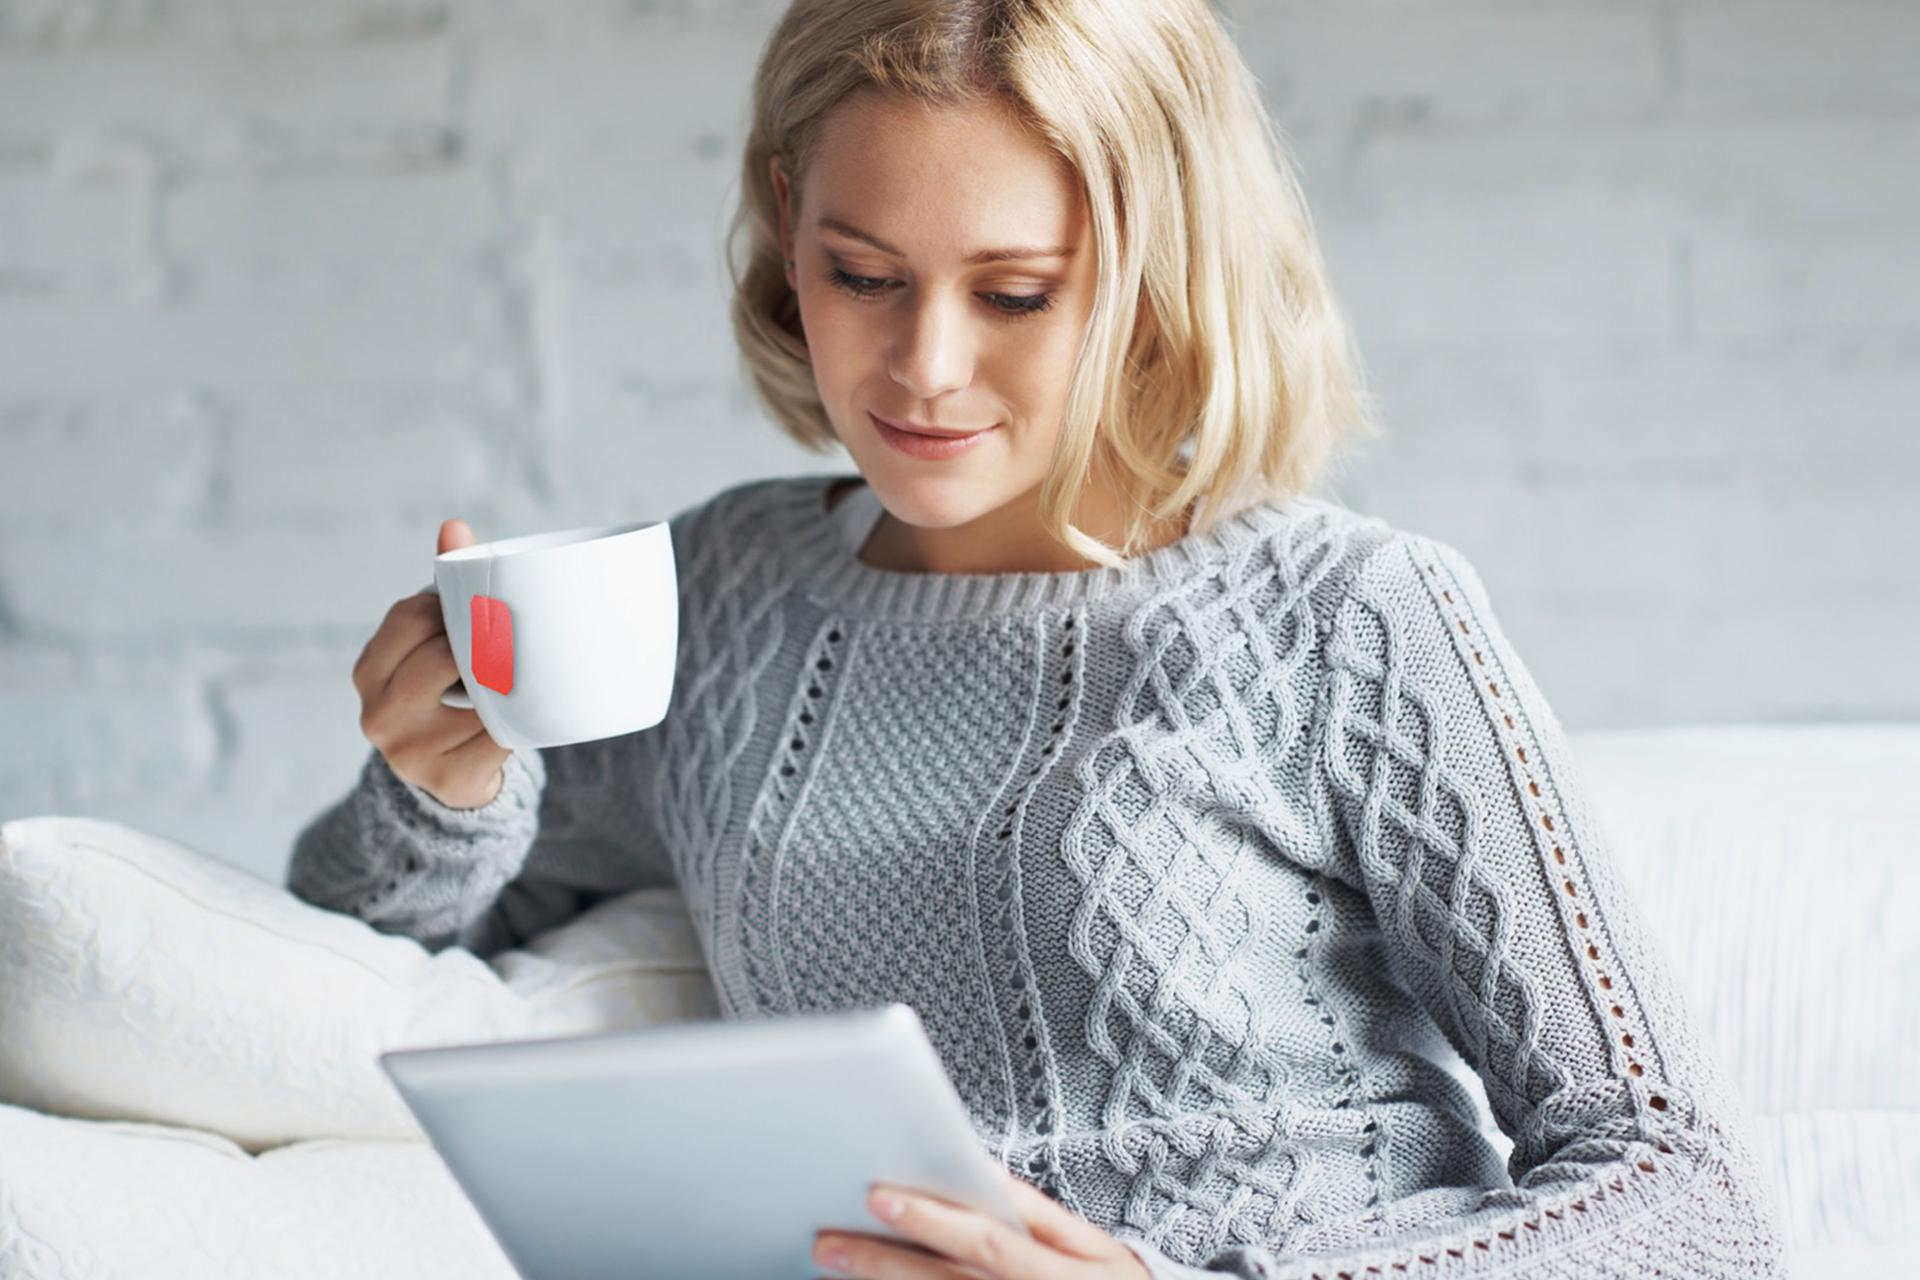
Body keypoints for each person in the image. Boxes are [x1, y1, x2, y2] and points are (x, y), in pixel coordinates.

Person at [287, 1, 1788, 1277]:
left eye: (1015, 293)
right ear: (786, 222)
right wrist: (439, 789)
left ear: (1159, 274)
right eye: (862, 275)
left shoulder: (1348, 618)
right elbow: (359, 970)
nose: (924, 366)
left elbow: (1692, 1200)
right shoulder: (722, 597)